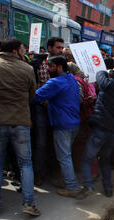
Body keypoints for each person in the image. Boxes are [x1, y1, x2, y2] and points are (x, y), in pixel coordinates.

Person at [0, 37, 40, 217]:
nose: (25, 51)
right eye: (23, 49)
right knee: (25, 163)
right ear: (16, 50)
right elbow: (32, 95)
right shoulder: (27, 68)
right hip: (20, 121)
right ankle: (29, 204)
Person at [77, 70, 114, 199]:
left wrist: (104, 70)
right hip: (113, 133)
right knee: (105, 161)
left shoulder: (108, 84)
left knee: (87, 159)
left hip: (99, 128)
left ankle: (88, 186)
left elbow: (99, 74)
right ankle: (108, 188)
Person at [32, 56, 82, 198]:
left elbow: (35, 97)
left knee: (64, 156)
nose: (48, 69)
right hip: (73, 123)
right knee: (66, 154)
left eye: (51, 66)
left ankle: (72, 186)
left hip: (62, 124)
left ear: (59, 67)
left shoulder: (55, 82)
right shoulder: (71, 78)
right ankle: (67, 180)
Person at [30, 37, 65, 186]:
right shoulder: (39, 65)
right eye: (58, 47)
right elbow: (33, 89)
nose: (61, 50)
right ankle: (38, 175)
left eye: (62, 48)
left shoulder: (63, 65)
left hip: (56, 109)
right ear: (49, 48)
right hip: (40, 109)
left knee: (53, 142)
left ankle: (51, 172)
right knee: (41, 142)